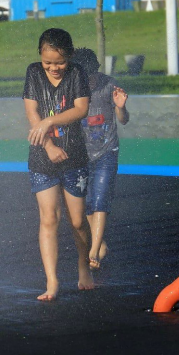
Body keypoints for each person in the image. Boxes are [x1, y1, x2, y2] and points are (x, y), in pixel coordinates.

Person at [23, 28, 95, 300]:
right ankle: (52, 281)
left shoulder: (76, 74)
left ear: (71, 55)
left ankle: (83, 264)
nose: (54, 68)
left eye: (59, 62)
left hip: (74, 156)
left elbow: (81, 109)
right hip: (42, 157)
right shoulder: (33, 73)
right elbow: (32, 112)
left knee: (77, 221)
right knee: (49, 218)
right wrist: (49, 145)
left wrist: (49, 121)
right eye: (48, 62)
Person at [71, 48, 130, 270]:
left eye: (92, 76)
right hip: (81, 154)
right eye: (85, 78)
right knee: (84, 203)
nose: (90, 82)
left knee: (100, 200)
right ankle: (100, 243)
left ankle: (94, 249)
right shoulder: (74, 89)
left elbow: (123, 120)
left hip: (107, 151)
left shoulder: (109, 85)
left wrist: (121, 107)